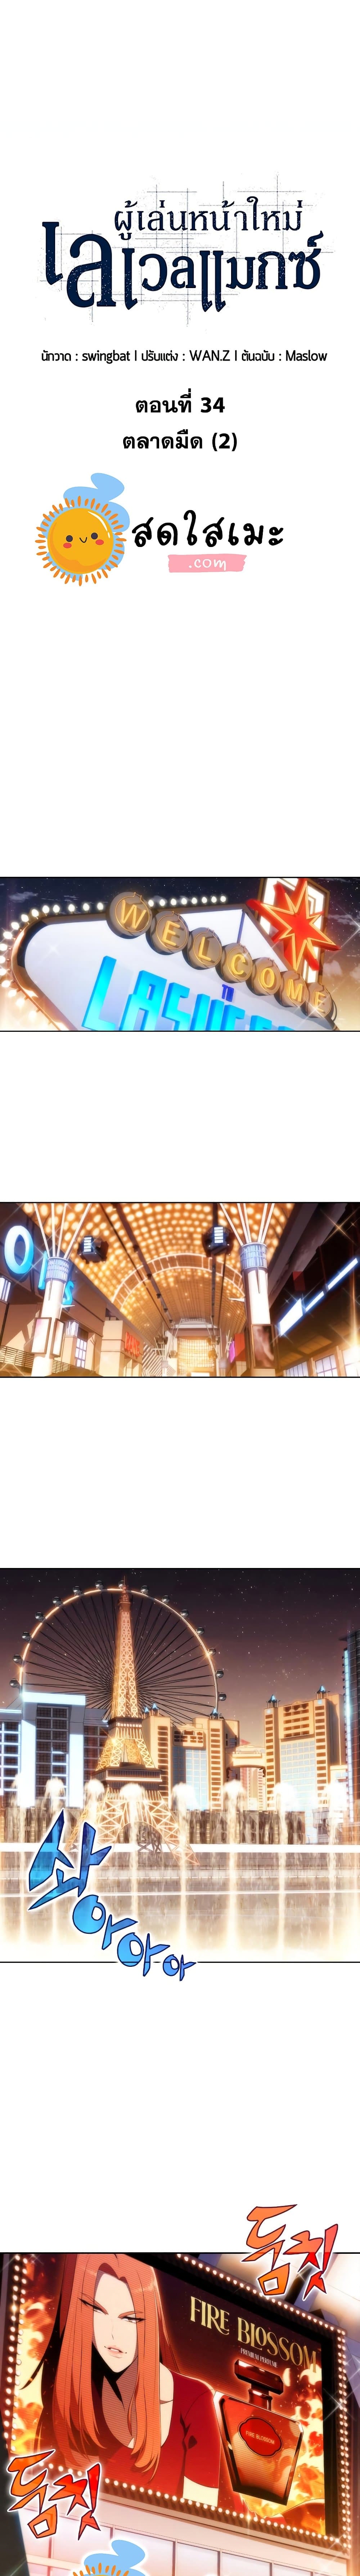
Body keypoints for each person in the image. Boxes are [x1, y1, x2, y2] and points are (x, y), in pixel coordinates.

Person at [37, 2254, 222, 2507]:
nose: (113, 2334)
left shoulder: (194, 2399)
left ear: (149, 2322)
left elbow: (204, 2518)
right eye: (98, 2311)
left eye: (131, 2318)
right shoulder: (74, 2393)